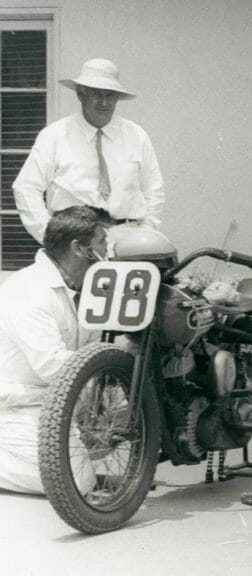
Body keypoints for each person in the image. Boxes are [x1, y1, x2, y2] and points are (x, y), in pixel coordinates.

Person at [0, 205, 112, 494]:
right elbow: (51, 366)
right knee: (78, 481)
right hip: (18, 406)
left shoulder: (82, 287)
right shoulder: (27, 290)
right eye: (103, 243)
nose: (108, 253)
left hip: (57, 405)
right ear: (79, 248)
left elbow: (94, 344)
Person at [13, 58, 164, 251]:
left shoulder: (136, 135)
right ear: (80, 94)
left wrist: (146, 231)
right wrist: (49, 237)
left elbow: (154, 190)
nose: (104, 102)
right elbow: (26, 188)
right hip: (73, 244)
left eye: (110, 95)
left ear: (117, 97)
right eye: (96, 94)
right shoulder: (55, 135)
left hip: (127, 240)